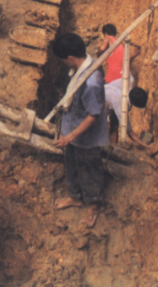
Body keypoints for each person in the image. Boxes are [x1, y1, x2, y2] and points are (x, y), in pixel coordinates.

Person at [52, 32, 108, 229]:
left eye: (63, 60)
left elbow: (93, 116)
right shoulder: (79, 69)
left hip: (86, 135)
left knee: (89, 167)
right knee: (72, 164)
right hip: (72, 127)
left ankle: (93, 203)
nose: (63, 63)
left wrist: (70, 136)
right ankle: (75, 196)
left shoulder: (92, 82)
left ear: (70, 58)